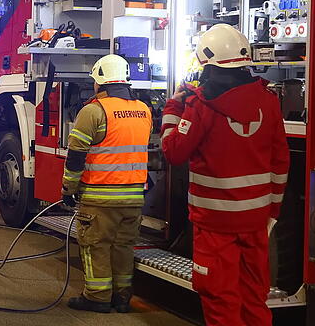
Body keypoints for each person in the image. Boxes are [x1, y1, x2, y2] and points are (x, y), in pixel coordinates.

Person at [161, 24, 289, 326]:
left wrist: (174, 107)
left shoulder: (200, 105)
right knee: (255, 297)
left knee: (221, 299)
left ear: (207, 64)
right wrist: (271, 213)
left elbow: (174, 151)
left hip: (214, 224)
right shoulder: (268, 100)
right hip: (256, 221)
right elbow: (280, 162)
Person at [61, 54, 151, 313]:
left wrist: (68, 189)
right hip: (133, 198)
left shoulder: (93, 111)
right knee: (123, 247)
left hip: (100, 197)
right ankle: (121, 297)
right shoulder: (143, 110)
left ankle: (97, 297)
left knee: (96, 246)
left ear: (99, 82)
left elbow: (76, 156)